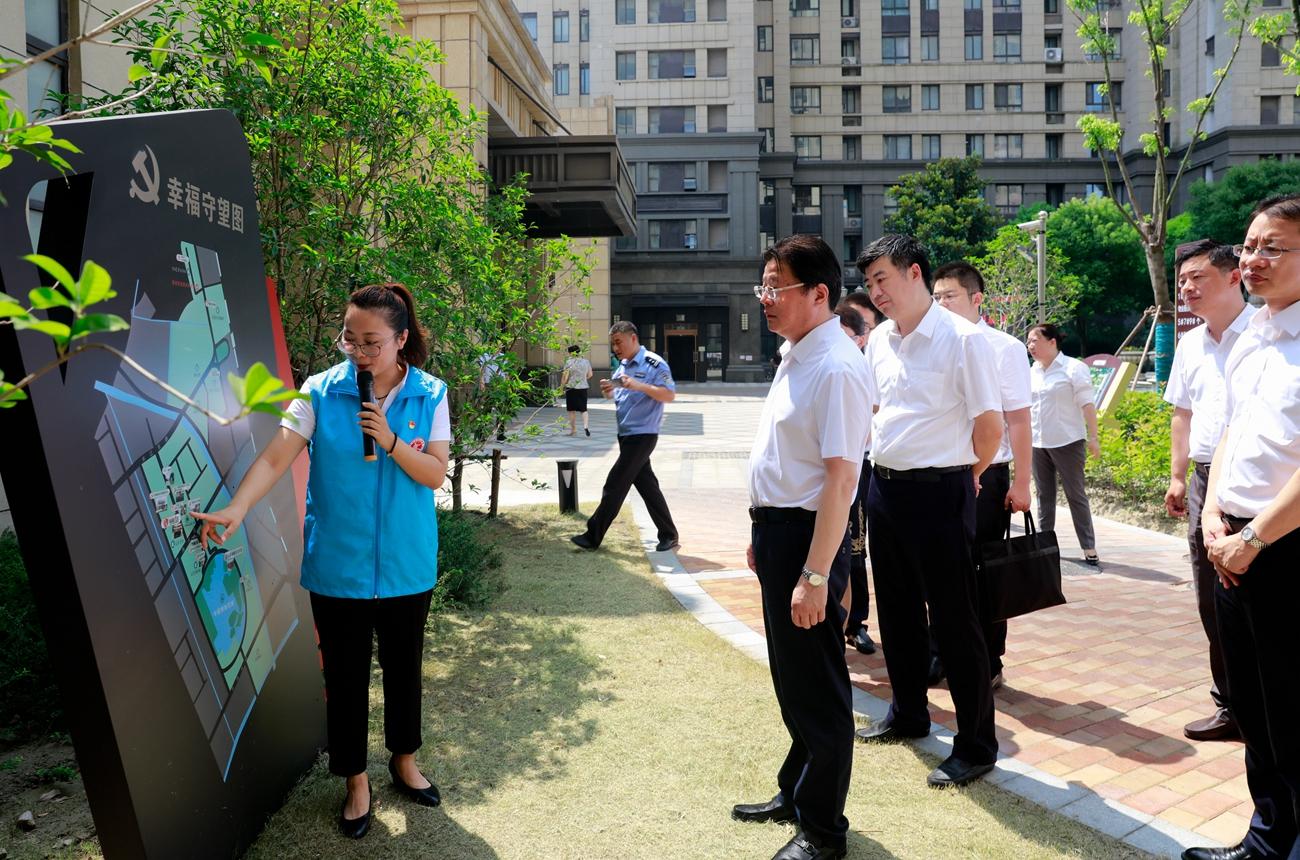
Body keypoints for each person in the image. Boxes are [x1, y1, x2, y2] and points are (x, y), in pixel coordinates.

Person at [192, 284, 449, 840]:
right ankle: (356, 782)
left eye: (372, 342)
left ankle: (405, 761)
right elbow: (276, 456)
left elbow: (435, 473)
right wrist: (237, 506)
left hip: (407, 565)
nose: (359, 352)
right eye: (350, 339)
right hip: (337, 567)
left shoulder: (431, 394)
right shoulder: (320, 390)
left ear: (401, 339)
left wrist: (390, 441)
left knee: (404, 670)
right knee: (347, 678)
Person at [732, 235, 870, 860]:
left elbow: (840, 481)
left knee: (818, 686)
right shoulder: (799, 353)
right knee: (792, 678)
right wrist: (761, 531)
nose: (765, 299)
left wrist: (814, 576)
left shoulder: (836, 365)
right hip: (780, 533)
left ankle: (822, 831)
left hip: (810, 540)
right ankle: (797, 790)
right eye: (762, 286)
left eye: (775, 287)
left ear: (818, 294)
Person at [853, 234, 1003, 789]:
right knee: (896, 612)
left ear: (914, 272)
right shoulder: (879, 340)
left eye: (882, 279)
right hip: (885, 488)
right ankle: (909, 713)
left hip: (942, 491)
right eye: (869, 284)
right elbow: (877, 409)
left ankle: (976, 744)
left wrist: (968, 474)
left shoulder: (963, 339)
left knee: (955, 620)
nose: (875, 292)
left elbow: (989, 427)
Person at [1184, 195, 1300, 860]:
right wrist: (1212, 515)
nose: (1253, 259)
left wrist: (1253, 540)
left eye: (1273, 247)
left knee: (1292, 705)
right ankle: (1268, 838)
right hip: (1231, 540)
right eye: (1251, 245)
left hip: (1283, 547)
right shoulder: (1253, 332)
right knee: (1252, 704)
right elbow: (1230, 428)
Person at [1163, 240, 1252, 744]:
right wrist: (1178, 477)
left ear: (1234, 276)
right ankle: (1231, 705)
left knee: (1264, 597)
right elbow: (1184, 414)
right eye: (1182, 281)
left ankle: (1266, 706)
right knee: (1212, 598)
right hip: (1204, 480)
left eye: (1197, 277)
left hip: (1260, 481)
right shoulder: (1191, 344)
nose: (1187, 288)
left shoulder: (1263, 334)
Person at [933, 261, 1033, 691]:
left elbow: (1019, 420)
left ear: (977, 299)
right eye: (936, 297)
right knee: (941, 568)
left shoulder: (1004, 348)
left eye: (949, 296)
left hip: (988, 475)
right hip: (940, 472)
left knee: (984, 570)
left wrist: (1022, 482)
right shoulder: (930, 343)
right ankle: (942, 653)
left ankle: (990, 659)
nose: (941, 304)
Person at [569, 321, 679, 552]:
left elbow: (669, 395)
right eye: (613, 344)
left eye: (619, 342)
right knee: (648, 487)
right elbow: (619, 396)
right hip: (626, 435)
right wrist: (609, 391)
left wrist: (639, 386)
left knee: (615, 484)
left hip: (643, 435)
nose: (615, 348)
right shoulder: (623, 366)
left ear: (633, 338)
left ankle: (592, 536)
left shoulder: (654, 363)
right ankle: (669, 534)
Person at [1026, 323, 1101, 565]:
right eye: (1028, 341)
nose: (1030, 346)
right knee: (1043, 495)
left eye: (1035, 340)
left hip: (1068, 441)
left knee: (1075, 495)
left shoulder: (1073, 368)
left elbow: (1087, 404)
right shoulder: (1032, 371)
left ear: (1052, 342)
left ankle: (1088, 547)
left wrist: (1094, 437)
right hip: (1038, 442)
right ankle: (1044, 545)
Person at [835, 291, 884, 656]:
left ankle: (856, 623)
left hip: (860, 463)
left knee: (855, 547)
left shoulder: (874, 361)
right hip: (829, 467)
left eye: (864, 324)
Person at [561, 344, 594, 436]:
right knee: (583, 409)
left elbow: (565, 377)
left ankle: (573, 430)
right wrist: (583, 379)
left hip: (571, 388)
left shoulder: (569, 362)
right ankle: (585, 426)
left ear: (571, 353)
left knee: (571, 410)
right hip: (583, 387)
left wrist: (561, 387)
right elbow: (590, 374)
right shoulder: (586, 362)